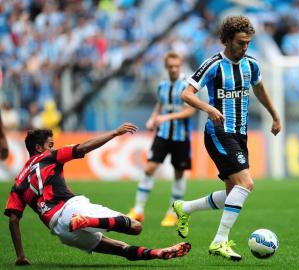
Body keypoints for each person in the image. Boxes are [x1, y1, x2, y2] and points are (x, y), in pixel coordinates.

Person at [4, 123, 191, 266]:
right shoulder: (48, 157)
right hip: (72, 209)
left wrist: (21, 256)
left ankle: (157, 253)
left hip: (60, 230)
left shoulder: (18, 183)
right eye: (50, 145)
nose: (53, 148)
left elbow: (13, 220)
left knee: (119, 248)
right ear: (39, 148)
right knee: (135, 227)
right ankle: (87, 221)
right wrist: (115, 133)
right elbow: (83, 148)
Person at [176, 16, 281, 261]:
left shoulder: (252, 64)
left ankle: (186, 207)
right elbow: (186, 93)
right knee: (246, 184)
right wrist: (209, 109)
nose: (245, 47)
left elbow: (259, 89)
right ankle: (219, 241)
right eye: (240, 43)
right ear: (226, 40)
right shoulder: (213, 64)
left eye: (248, 43)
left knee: (233, 191)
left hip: (239, 134)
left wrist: (275, 115)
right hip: (218, 132)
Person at [127, 52, 196, 227]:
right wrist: (153, 118)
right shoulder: (162, 86)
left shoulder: (187, 85)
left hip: (181, 137)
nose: (173, 69)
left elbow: (191, 111)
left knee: (179, 174)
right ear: (166, 67)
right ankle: (138, 209)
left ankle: (173, 212)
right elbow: (160, 105)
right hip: (163, 134)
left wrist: (166, 118)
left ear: (180, 66)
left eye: (176, 66)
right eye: (170, 66)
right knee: (149, 168)